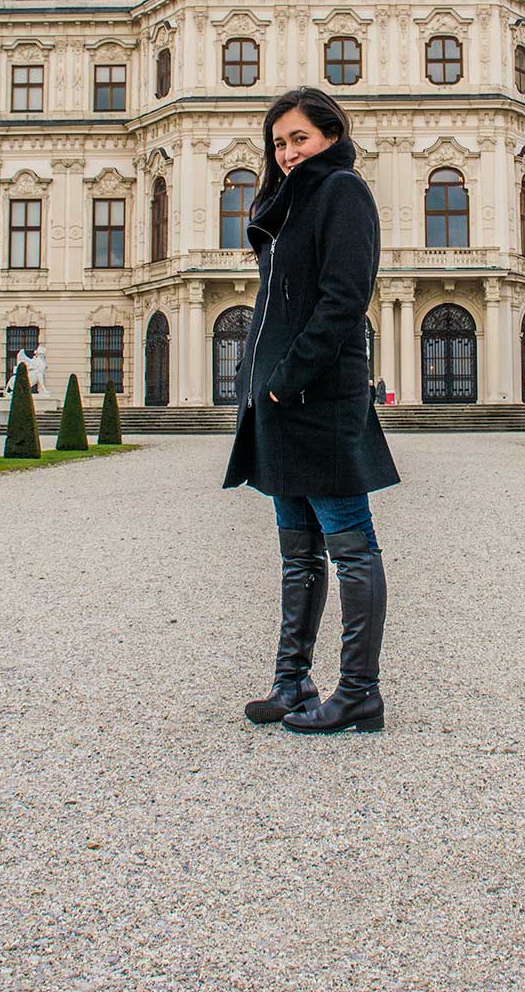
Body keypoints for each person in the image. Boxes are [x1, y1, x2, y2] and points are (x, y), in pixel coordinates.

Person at [223, 87, 400, 736]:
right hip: (278, 402)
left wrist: (285, 379)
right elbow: (276, 304)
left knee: (351, 547)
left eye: (299, 138)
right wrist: (255, 381)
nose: (288, 151)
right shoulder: (287, 203)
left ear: (329, 134)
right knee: (298, 553)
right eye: (278, 142)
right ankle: (292, 679)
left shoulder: (342, 192)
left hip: (319, 398)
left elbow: (344, 299)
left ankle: (359, 691)